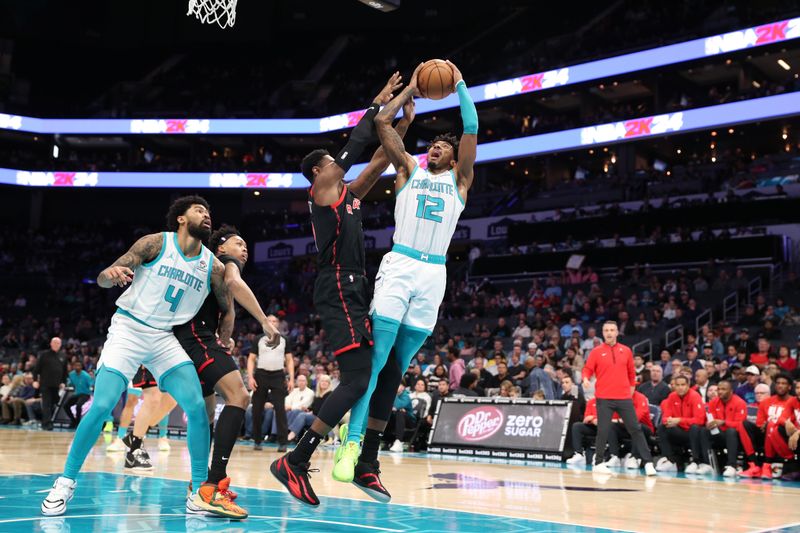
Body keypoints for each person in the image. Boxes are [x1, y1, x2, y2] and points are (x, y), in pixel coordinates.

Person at [333, 59, 479, 499]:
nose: (433, 149)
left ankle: (370, 458)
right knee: (376, 363)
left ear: (454, 157)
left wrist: (458, 83)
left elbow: (471, 123)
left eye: (441, 146)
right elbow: (381, 122)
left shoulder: (461, 179)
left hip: (434, 274)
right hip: (399, 265)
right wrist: (410, 91)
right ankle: (351, 444)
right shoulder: (408, 171)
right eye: (430, 144)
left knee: (396, 368)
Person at [41, 196, 235, 518]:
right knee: (102, 404)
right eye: (199, 210)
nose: (207, 215)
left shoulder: (212, 265)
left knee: (198, 408)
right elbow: (105, 277)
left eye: (209, 212)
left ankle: (199, 491)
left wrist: (224, 339)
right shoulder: (156, 243)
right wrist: (110, 273)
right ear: (181, 219)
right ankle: (64, 482)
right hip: (129, 329)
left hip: (164, 337)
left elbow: (228, 309)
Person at [270, 73, 413, 507]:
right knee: (357, 379)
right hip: (336, 285)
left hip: (355, 287)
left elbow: (379, 161)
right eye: (332, 160)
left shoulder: (348, 195)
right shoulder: (321, 193)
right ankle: (295, 460)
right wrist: (390, 99)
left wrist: (401, 124)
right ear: (319, 171)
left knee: (381, 373)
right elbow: (356, 148)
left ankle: (362, 462)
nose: (339, 163)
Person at [582, 321, 656, 475]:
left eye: (612, 330)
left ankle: (648, 462)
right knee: (603, 429)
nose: (609, 333)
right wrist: (585, 378)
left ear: (617, 332)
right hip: (604, 397)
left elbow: (631, 373)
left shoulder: (626, 351)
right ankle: (599, 463)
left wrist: (631, 390)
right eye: (606, 330)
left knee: (635, 428)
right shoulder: (596, 352)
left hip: (623, 398)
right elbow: (588, 368)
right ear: (603, 333)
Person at [249, 314, 293, 452]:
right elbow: (251, 359)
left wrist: (291, 378)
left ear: (278, 324)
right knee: (257, 409)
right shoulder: (258, 339)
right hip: (261, 374)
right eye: (270, 321)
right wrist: (250, 377)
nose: (273, 323)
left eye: (275, 321)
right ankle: (257, 440)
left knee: (280, 409)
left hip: (278, 375)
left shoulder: (285, 339)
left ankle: (283, 443)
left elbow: (290, 360)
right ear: (265, 323)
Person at [655, 375, 706, 472]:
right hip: (680, 431)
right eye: (677, 385)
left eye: (683, 385)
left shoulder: (695, 396)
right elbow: (665, 417)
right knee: (662, 427)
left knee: (695, 427)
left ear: (688, 385)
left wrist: (679, 421)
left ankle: (696, 462)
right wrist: (669, 421)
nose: (680, 387)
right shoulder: (672, 396)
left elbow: (700, 420)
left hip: (693, 433)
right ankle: (669, 460)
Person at [697, 379, 747, 477]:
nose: (719, 392)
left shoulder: (740, 403)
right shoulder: (713, 402)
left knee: (731, 431)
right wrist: (709, 424)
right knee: (703, 431)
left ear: (731, 391)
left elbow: (740, 425)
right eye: (718, 389)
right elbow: (711, 418)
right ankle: (707, 464)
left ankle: (731, 465)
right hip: (719, 434)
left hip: (736, 437)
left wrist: (723, 422)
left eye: (723, 389)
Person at [754, 374, 796, 480]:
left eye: (783, 383)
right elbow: (759, 423)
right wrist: (764, 425)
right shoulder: (766, 402)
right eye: (778, 383)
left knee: (772, 425)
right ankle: (753, 465)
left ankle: (768, 464)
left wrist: (772, 423)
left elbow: (790, 421)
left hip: (785, 433)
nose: (780, 386)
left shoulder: (793, 402)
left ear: (790, 387)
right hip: (766, 433)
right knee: (744, 425)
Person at [605, 390, 655, 469]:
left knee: (635, 426)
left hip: (644, 428)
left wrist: (622, 419)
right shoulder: (618, 398)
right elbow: (613, 417)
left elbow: (637, 417)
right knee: (611, 426)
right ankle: (614, 456)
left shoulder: (640, 397)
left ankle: (634, 457)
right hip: (625, 427)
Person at [34, 337, 67, 431]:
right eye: (55, 342)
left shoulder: (63, 356)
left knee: (54, 403)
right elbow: (36, 369)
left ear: (60, 345)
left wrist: (63, 382)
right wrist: (35, 380)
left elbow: (65, 371)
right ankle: (47, 424)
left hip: (56, 385)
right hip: (45, 384)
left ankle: (48, 421)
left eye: (58, 343)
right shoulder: (44, 355)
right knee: (46, 404)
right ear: (51, 343)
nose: (56, 344)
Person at [385, 383, 417, 453]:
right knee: (386, 414)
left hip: (410, 421)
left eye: (398, 384)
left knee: (400, 413)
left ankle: (398, 441)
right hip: (397, 420)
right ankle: (382, 440)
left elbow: (397, 405)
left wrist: (394, 394)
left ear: (403, 387)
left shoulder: (406, 396)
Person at [64, 360, 93, 429]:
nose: (77, 367)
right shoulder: (71, 374)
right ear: (73, 366)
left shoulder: (86, 376)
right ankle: (73, 421)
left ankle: (78, 422)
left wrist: (91, 388)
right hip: (77, 393)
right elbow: (70, 383)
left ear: (81, 367)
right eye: (76, 365)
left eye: (79, 365)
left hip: (85, 394)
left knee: (78, 405)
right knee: (65, 405)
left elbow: (91, 385)